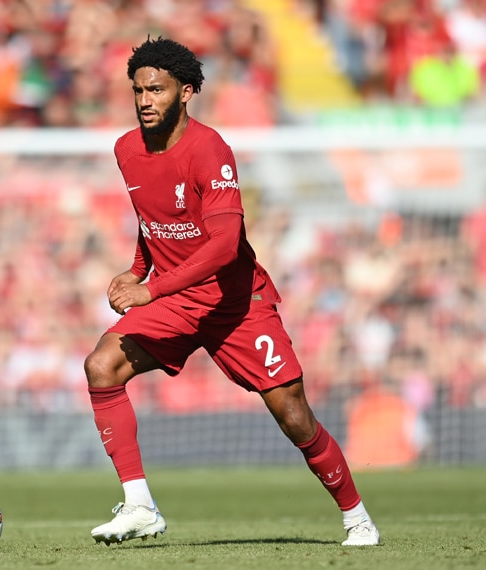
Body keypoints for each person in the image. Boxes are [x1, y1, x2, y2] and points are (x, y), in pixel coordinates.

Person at [84, 37, 380, 547]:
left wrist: (150, 290)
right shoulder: (127, 150)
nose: (144, 101)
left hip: (235, 302)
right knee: (100, 366)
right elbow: (154, 223)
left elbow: (223, 247)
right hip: (175, 301)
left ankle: (356, 516)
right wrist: (136, 271)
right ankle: (139, 506)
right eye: (138, 90)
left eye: (156, 89)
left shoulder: (210, 149)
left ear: (186, 92)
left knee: (293, 415)